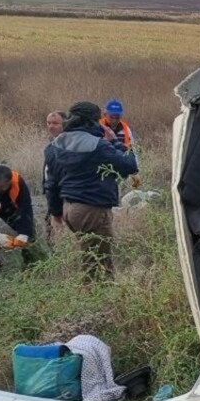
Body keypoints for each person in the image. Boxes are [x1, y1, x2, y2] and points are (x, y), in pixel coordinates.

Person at [44, 101, 139, 278]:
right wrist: (115, 142)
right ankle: (96, 302)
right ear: (94, 120)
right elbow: (130, 165)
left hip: (69, 210)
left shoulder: (54, 146)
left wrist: (56, 212)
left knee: (93, 257)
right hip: (92, 209)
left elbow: (51, 182)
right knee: (98, 267)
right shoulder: (98, 145)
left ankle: (99, 299)